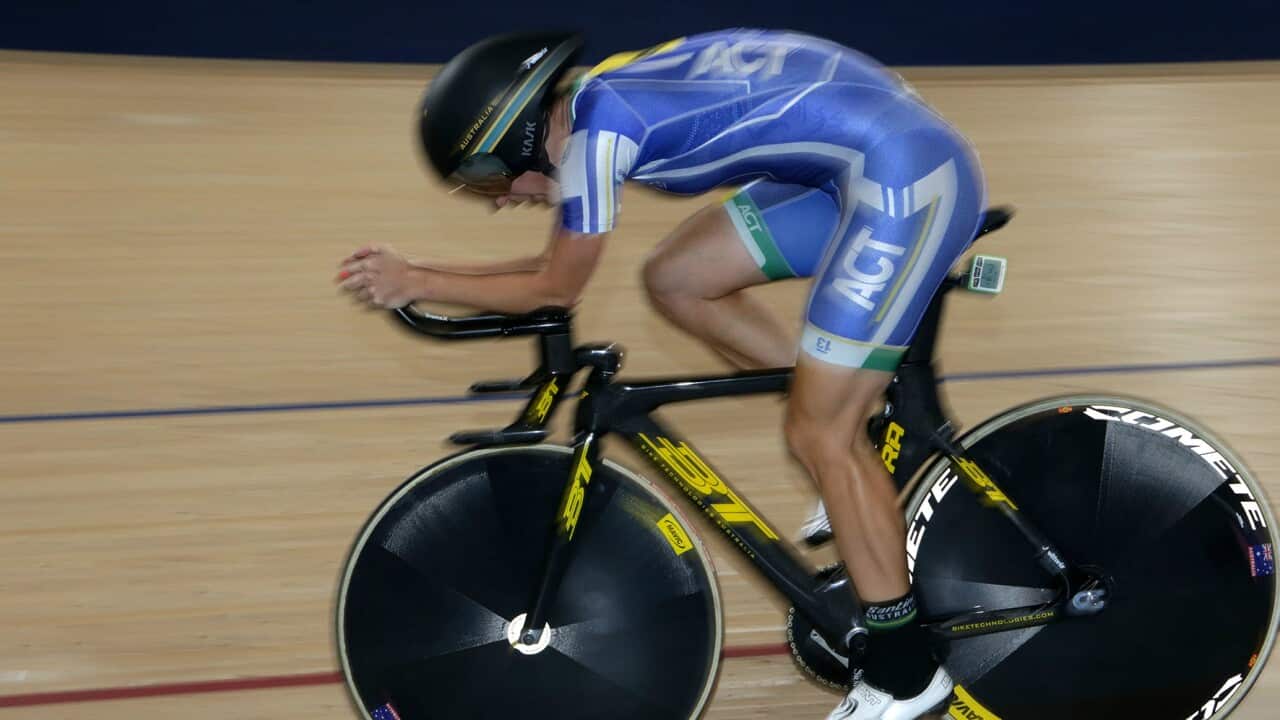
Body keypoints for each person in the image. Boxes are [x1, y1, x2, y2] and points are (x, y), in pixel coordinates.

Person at [336, 28, 984, 719]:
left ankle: (906, 675)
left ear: (517, 137)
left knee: (820, 434)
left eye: (486, 179)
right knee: (677, 277)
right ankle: (863, 430)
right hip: (858, 166)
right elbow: (551, 275)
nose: (499, 200)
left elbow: (554, 288)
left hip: (907, 177)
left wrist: (418, 279)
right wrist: (426, 280)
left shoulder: (596, 133)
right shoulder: (596, 100)